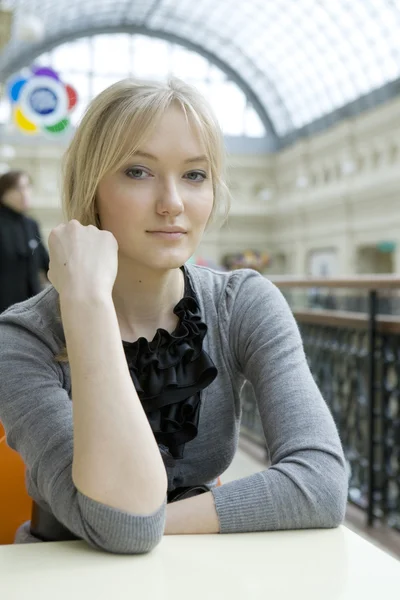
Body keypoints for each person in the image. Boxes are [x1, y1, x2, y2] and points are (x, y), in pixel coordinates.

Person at [0, 78, 348, 554]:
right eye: (138, 172)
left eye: (195, 175)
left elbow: (321, 482)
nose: (173, 203)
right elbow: (125, 525)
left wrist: (160, 521)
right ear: (91, 188)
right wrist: (86, 305)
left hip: (202, 569)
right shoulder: (23, 339)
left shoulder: (242, 303)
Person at [0, 170, 49, 313]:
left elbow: (46, 263)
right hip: (4, 308)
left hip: (30, 310)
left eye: (27, 186)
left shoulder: (31, 224)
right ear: (3, 193)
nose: (24, 193)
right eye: (17, 188)